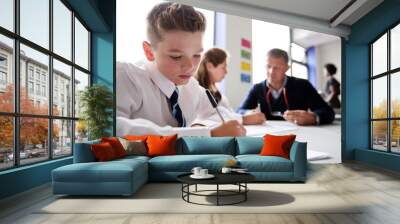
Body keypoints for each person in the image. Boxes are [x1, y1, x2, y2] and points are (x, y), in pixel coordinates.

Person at [117, 3, 246, 137]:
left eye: (196, 55)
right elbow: (115, 127)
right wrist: (205, 133)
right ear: (149, 52)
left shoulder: (191, 87)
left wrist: (200, 126)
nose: (190, 66)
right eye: (176, 56)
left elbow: (219, 113)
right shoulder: (126, 77)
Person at [238, 48, 334, 125]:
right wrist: (248, 114)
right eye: (268, 66)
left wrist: (314, 118)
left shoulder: (303, 85)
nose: (271, 72)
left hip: (299, 136)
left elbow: (328, 112)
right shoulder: (257, 88)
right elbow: (239, 111)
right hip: (267, 137)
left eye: (277, 67)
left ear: (287, 68)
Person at [195, 47, 266, 125]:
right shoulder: (198, 90)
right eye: (223, 67)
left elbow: (229, 113)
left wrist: (247, 115)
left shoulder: (217, 93)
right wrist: (244, 119)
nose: (226, 71)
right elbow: (207, 117)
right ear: (209, 66)